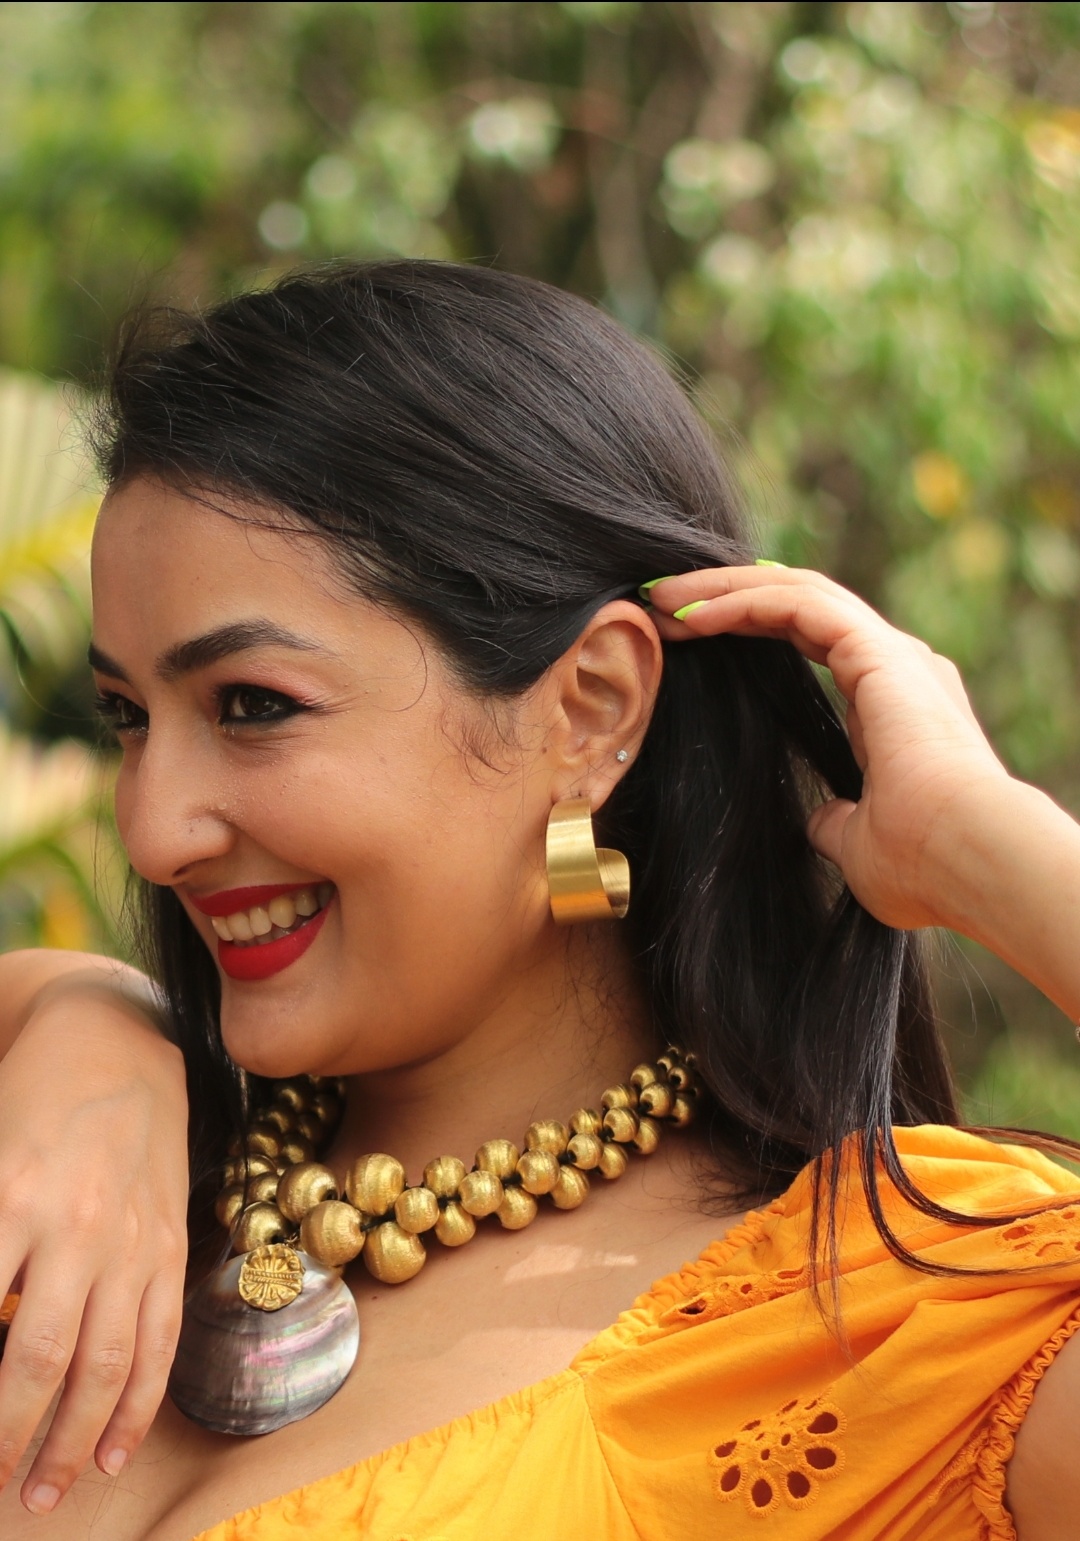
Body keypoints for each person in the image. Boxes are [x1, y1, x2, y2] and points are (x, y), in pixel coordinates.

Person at [1, 260, 1080, 1541]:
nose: (152, 826)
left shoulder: (903, 1320)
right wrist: (86, 1025)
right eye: (129, 716)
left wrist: (985, 839)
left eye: (253, 705)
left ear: (590, 712)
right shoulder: (76, 1175)